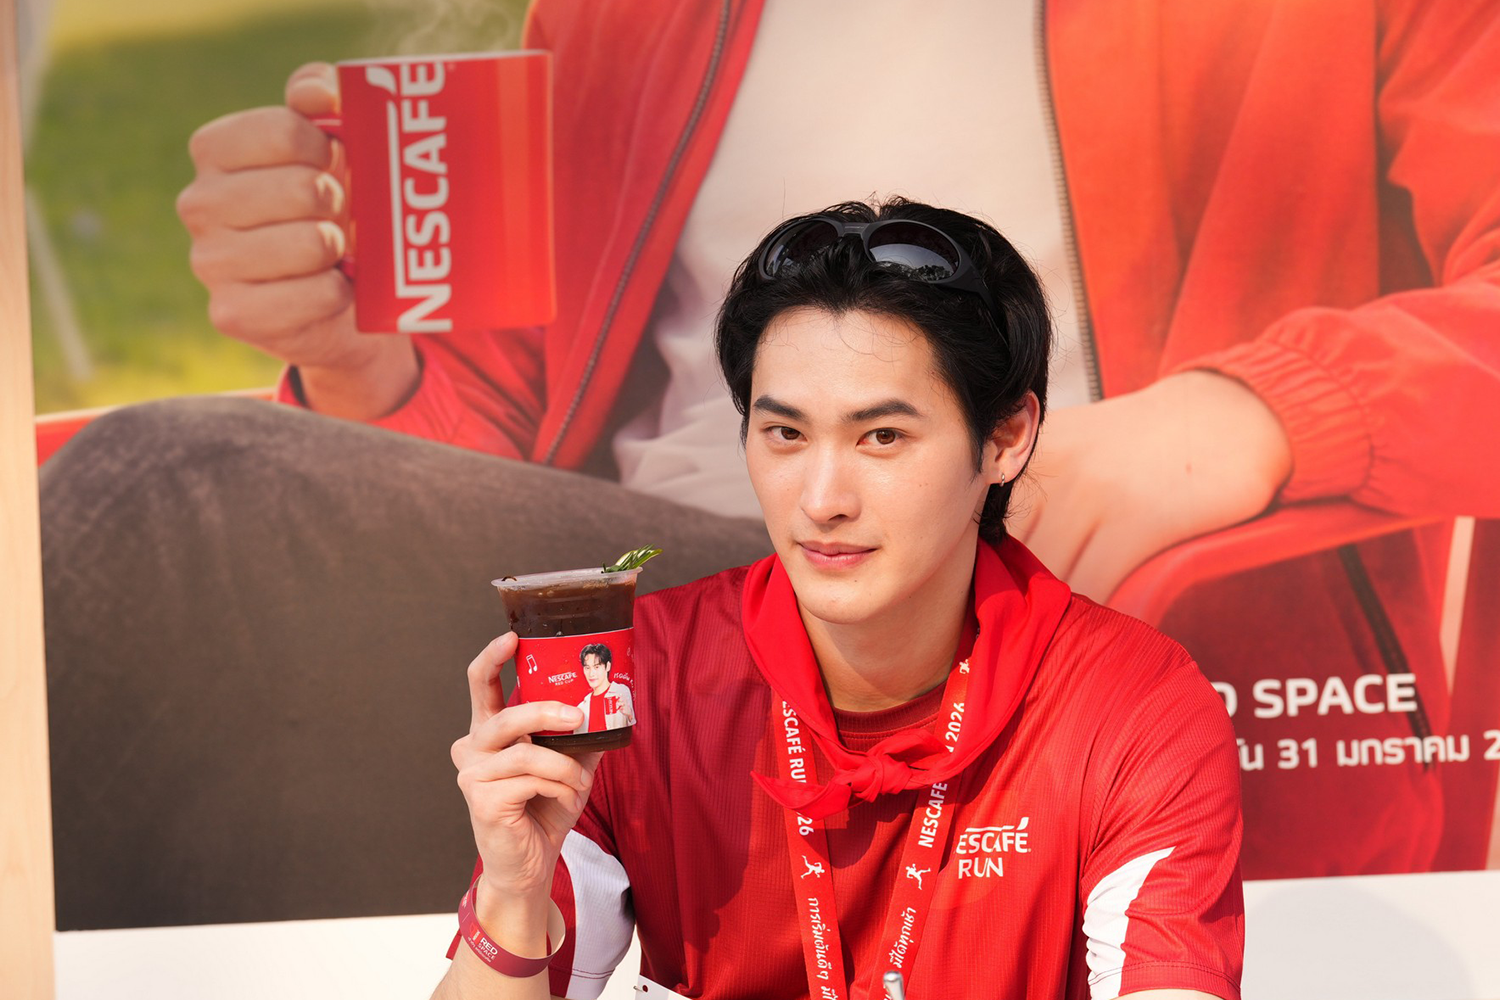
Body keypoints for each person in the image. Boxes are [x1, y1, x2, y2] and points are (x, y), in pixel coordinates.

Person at [40, 0, 1500, 929]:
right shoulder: (625, 16)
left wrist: (1255, 411)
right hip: (634, 638)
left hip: (1032, 646)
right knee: (162, 628)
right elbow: (508, 450)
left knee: (165, 513)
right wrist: (369, 369)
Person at [438, 198, 1243, 1000]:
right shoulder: (638, 678)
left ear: (1005, 438)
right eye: (785, 434)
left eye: (882, 437)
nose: (822, 500)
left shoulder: (1132, 705)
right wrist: (514, 895)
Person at [573, 644, 634, 733]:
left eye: (596, 667)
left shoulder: (621, 692)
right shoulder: (582, 707)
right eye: (587, 668)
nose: (591, 674)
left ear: (608, 666)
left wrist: (630, 715)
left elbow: (633, 728)